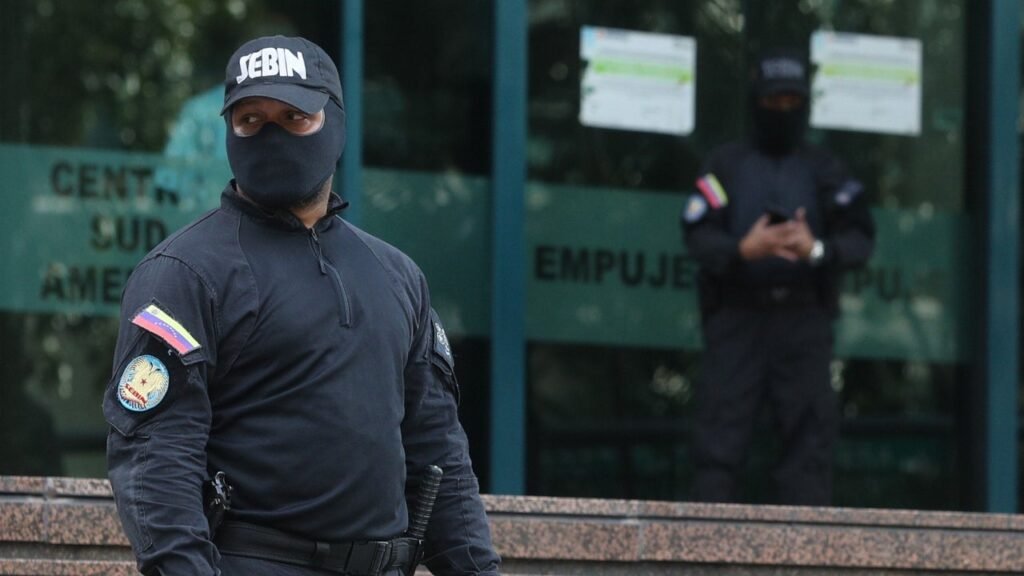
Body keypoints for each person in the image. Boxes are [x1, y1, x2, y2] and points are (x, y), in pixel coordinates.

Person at [104, 35, 501, 576]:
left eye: (294, 117)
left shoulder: (396, 276)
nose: (272, 135)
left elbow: (440, 456)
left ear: (334, 122)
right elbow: (156, 467)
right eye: (250, 120)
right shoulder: (184, 275)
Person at [681, 48, 875, 506]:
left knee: (809, 449)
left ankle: (804, 548)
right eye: (773, 102)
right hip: (737, 318)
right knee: (718, 445)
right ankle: (704, 544)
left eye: (792, 102)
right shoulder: (726, 164)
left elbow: (861, 238)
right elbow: (696, 231)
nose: (783, 111)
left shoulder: (826, 169)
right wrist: (741, 250)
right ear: (756, 102)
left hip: (803, 321)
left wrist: (816, 250)